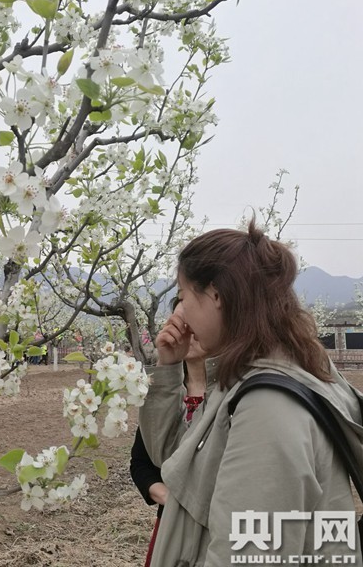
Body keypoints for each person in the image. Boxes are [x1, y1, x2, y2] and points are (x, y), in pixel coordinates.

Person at [139, 219, 363, 566]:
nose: (179, 313)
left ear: (215, 294)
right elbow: (180, 463)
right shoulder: (244, 380)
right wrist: (168, 368)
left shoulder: (268, 408)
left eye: (183, 297)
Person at [130, 326, 207, 567]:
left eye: (197, 326)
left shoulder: (231, 397)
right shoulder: (164, 396)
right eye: (184, 327)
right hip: (171, 523)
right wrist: (173, 500)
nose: (190, 335)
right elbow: (140, 464)